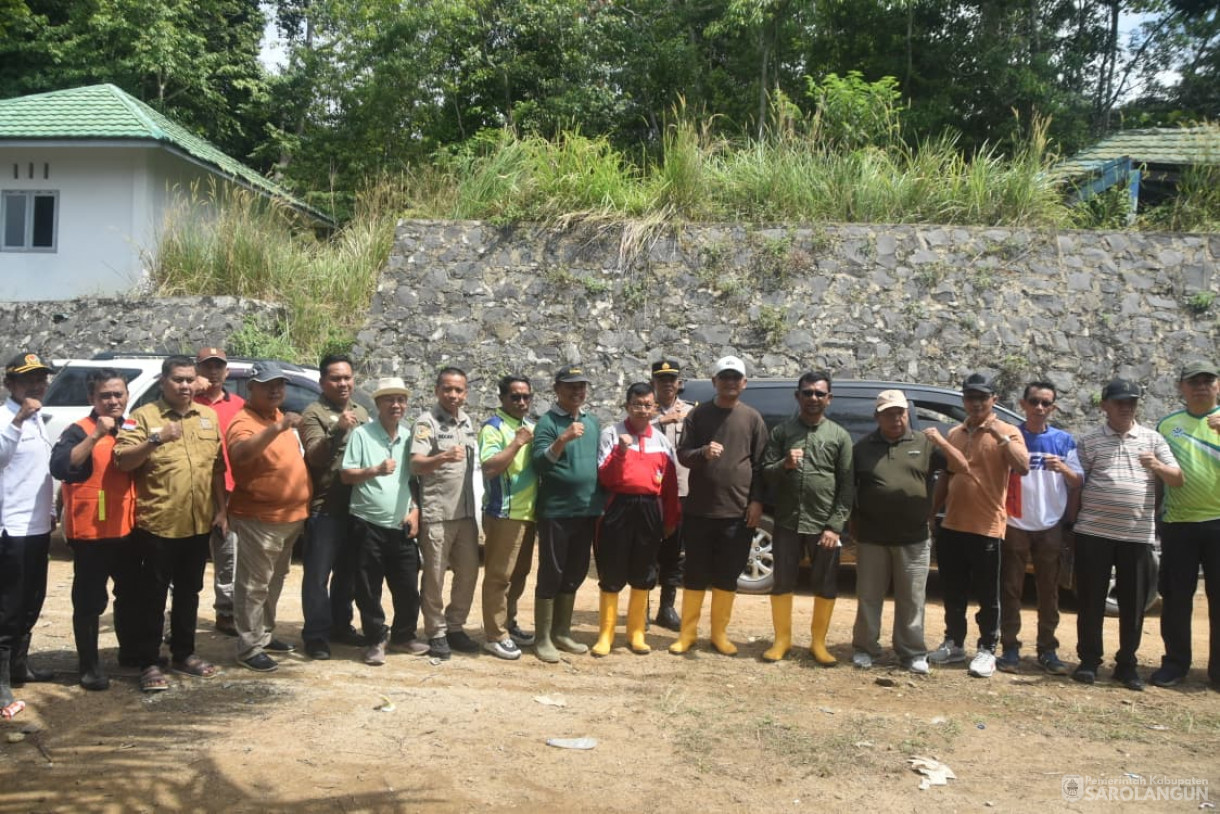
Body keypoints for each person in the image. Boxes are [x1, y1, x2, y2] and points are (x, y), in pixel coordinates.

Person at [114, 355, 226, 692]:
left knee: (190, 593)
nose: (186, 386)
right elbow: (122, 461)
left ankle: (183, 654)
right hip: (157, 525)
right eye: (178, 379)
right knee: (152, 596)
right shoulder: (143, 418)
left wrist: (222, 510)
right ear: (164, 382)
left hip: (196, 525)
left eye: (191, 379)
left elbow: (217, 468)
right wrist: (157, 439)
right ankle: (148, 661)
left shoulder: (207, 417)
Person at [1073, 379, 1182, 690]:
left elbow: (1177, 479)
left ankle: (1126, 665)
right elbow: (1078, 484)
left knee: (1133, 604)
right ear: (1104, 406)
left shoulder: (1153, 439)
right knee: (1091, 600)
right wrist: (1072, 525)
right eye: (1119, 402)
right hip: (1093, 531)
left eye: (1131, 402)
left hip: (1136, 534)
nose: (1126, 407)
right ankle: (1089, 661)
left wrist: (1158, 465)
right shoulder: (1089, 441)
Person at [851, 390, 964, 674]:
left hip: (914, 537)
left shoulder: (925, 443)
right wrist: (852, 524)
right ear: (877, 417)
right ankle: (865, 649)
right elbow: (850, 489)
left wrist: (941, 440)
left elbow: (960, 466)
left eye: (900, 412)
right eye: (889, 413)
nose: (896, 418)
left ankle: (912, 652)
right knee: (868, 597)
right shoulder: (862, 448)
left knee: (912, 600)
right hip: (872, 537)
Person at [929, 373, 1029, 679]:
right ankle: (954, 642)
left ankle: (987, 649)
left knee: (988, 594)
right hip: (953, 524)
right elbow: (947, 475)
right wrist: (932, 512)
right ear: (964, 400)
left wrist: (1000, 436)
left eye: (982, 398)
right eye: (971, 398)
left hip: (987, 526)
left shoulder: (1008, 431)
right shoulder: (956, 433)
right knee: (953, 590)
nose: (976, 404)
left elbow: (1023, 466)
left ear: (994, 400)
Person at [670, 356, 767, 656]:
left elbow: (762, 464)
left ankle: (719, 635)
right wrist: (703, 452)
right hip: (700, 511)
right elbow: (683, 454)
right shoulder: (698, 417)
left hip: (737, 514)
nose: (730, 382)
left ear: (744, 383)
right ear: (714, 382)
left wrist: (757, 502)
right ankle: (687, 634)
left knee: (727, 576)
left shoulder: (753, 418)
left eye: (735, 378)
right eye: (724, 377)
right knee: (695, 574)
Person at [49, 368, 138, 691]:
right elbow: (61, 466)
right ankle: (88, 667)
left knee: (130, 595)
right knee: (89, 603)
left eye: (118, 394)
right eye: (105, 396)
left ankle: (131, 654)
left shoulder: (131, 428)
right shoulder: (79, 430)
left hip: (126, 529)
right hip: (90, 534)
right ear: (92, 399)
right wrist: (95, 436)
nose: (113, 401)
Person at [760, 372, 853, 665]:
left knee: (825, 584)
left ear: (829, 399)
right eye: (808, 392)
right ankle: (782, 640)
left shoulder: (839, 436)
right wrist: (785, 465)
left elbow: (847, 485)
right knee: (783, 582)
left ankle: (818, 643)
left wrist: (835, 526)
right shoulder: (782, 432)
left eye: (819, 394)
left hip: (823, 526)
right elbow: (765, 472)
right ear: (797, 396)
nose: (813, 398)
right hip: (788, 522)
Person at [226, 362, 312, 672]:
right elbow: (239, 454)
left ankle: (264, 633)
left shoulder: (277, 415)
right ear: (251, 387)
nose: (276, 389)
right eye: (267, 385)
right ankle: (249, 647)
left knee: (273, 581)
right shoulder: (244, 421)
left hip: (288, 518)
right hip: (259, 518)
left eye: (280, 384)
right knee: (253, 584)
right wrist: (277, 428)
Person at [998, 381, 1082, 675]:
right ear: (1023, 404)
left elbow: (1078, 482)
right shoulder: (1011, 435)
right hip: (1015, 522)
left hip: (1050, 524)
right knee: (1010, 588)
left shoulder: (1064, 440)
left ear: (1053, 408)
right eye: (1034, 401)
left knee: (1049, 590)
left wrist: (1064, 469)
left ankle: (1047, 649)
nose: (1039, 408)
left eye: (1046, 403)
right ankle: (1009, 647)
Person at [592, 382, 681, 656]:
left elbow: (670, 485)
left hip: (649, 510)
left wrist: (670, 519)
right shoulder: (611, 433)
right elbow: (604, 477)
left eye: (647, 405)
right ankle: (606, 634)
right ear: (627, 406)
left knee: (644, 571)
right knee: (612, 569)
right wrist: (620, 451)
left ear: (655, 408)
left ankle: (636, 633)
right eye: (637, 404)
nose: (642, 410)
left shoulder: (662, 442)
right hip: (618, 506)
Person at [341, 377, 423, 666]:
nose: (396, 405)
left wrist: (415, 510)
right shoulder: (362, 435)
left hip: (400, 524)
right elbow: (346, 475)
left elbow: (414, 481)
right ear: (377, 404)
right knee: (368, 588)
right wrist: (374, 470)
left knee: (408, 586)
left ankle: (404, 635)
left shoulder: (410, 438)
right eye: (389, 399)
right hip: (367, 523)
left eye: (401, 399)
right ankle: (375, 639)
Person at [1152, 361, 1220, 689]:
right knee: (1177, 598)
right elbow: (1157, 477)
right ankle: (1175, 663)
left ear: (1218, 385)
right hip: (1178, 524)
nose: (1201, 387)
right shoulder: (1167, 426)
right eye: (1193, 382)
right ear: (1181, 388)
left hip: (1219, 524)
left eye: (1207, 381)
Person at [531, 365, 605, 663]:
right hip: (557, 511)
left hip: (586, 510)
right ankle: (542, 637)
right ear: (557, 389)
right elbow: (539, 464)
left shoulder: (593, 422)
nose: (578, 391)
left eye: (582, 386)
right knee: (552, 571)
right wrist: (562, 439)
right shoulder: (548, 423)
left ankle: (562, 631)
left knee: (575, 572)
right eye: (571, 386)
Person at [299, 353, 370, 659]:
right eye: (335, 378)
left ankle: (341, 626)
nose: (343, 383)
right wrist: (337, 429)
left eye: (347, 378)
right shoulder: (312, 413)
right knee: (318, 576)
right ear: (322, 382)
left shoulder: (362, 412)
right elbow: (314, 456)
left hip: (357, 507)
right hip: (325, 508)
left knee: (348, 574)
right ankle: (315, 634)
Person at [409, 367, 480, 660]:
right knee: (435, 577)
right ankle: (436, 631)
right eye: (448, 389)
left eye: (459, 390)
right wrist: (443, 457)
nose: (454, 395)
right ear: (437, 390)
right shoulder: (427, 422)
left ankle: (455, 626)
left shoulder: (466, 422)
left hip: (465, 513)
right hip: (438, 513)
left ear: (465, 393)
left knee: (468, 573)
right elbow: (416, 464)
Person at [0, 352, 56, 718]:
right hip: (11, 528)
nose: (37, 385)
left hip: (38, 527)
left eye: (41, 378)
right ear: (10, 385)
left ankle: (20, 667)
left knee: (32, 601)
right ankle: (1, 683)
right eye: (28, 379)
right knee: (7, 608)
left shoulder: (38, 418)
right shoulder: (8, 418)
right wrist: (18, 420)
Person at [479, 375, 538, 661]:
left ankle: (509, 623)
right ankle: (494, 634)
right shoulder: (493, 427)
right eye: (515, 397)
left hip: (529, 513)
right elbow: (489, 467)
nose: (522, 402)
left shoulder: (529, 426)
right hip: (504, 513)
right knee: (499, 576)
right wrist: (517, 443)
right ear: (502, 398)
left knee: (519, 574)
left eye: (526, 396)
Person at [193, 347, 245, 637]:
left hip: (228, 491)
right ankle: (178, 613)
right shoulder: (186, 400)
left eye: (218, 367)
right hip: (193, 492)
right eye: (207, 366)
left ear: (227, 371)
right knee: (187, 557)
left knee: (228, 554)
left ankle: (226, 611)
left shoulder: (238, 405)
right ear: (196, 370)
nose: (213, 372)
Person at [650, 359, 692, 631]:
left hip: (681, 492)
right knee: (645, 551)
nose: (667, 384)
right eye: (661, 380)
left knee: (674, 553)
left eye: (671, 379)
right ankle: (640, 607)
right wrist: (660, 420)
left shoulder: (690, 412)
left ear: (679, 383)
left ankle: (666, 607)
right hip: (650, 492)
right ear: (653, 382)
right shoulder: (644, 408)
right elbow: (629, 429)